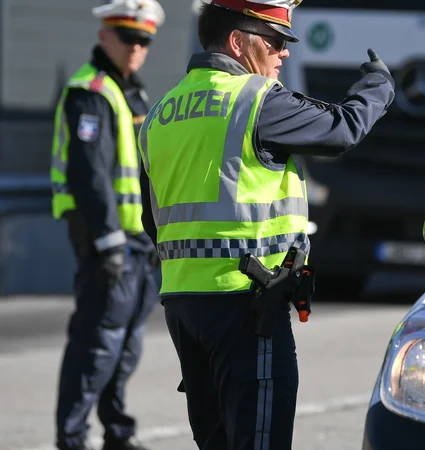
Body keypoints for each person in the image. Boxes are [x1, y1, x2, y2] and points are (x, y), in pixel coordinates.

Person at [136, 0, 395, 448]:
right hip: (247, 304)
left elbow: (151, 218)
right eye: (275, 42)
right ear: (239, 42)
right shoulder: (254, 100)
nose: (284, 54)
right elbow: (343, 129)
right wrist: (379, 87)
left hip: (183, 307)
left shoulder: (161, 112)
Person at [49, 1, 165, 449]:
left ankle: (117, 431)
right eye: (127, 37)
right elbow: (88, 175)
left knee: (126, 342)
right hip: (107, 239)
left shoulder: (132, 92)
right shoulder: (90, 92)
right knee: (98, 341)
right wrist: (108, 241)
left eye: (144, 41)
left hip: (137, 240)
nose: (136, 47)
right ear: (105, 37)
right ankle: (73, 437)